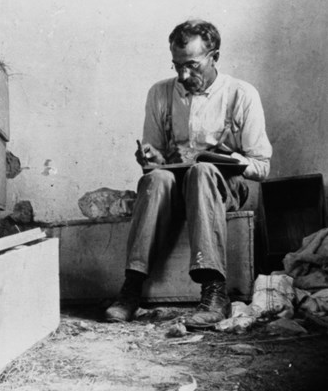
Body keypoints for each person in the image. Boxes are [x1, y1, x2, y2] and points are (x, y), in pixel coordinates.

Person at [104, 19, 272, 327]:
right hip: (175, 190)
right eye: (177, 66)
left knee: (202, 172)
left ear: (214, 57)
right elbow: (153, 161)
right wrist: (150, 158)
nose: (183, 75)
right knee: (155, 179)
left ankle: (214, 291)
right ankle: (131, 288)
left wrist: (211, 158)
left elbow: (262, 166)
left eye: (192, 66)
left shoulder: (241, 94)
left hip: (222, 188)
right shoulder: (160, 93)